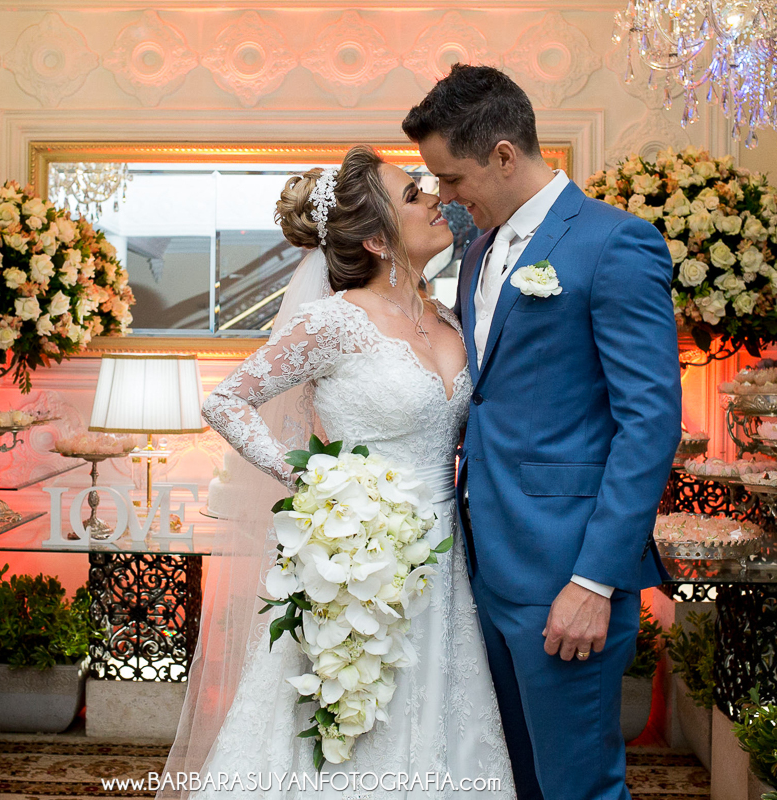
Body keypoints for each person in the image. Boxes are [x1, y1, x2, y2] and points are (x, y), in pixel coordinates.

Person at [158, 145, 516, 799]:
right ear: (377, 239)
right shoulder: (335, 321)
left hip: (447, 559)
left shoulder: (450, 318)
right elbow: (226, 401)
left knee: (443, 720)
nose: (435, 199)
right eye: (413, 195)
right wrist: (317, 487)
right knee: (355, 723)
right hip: (358, 562)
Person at [402, 65, 682, 800]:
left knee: (578, 787)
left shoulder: (616, 244)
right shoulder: (475, 253)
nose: (445, 196)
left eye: (452, 178)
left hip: (567, 572)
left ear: (503, 155)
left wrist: (594, 581)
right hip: (482, 565)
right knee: (513, 781)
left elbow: (649, 422)